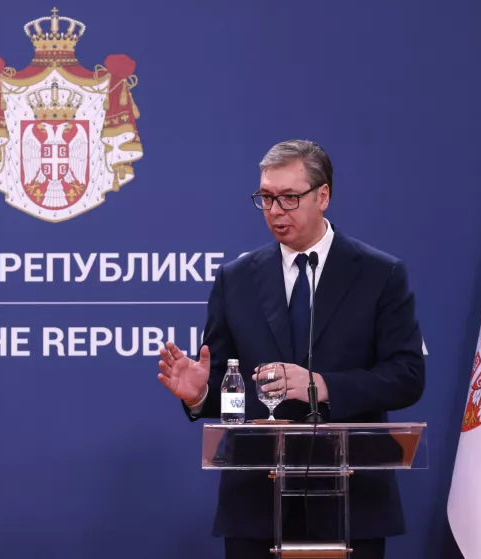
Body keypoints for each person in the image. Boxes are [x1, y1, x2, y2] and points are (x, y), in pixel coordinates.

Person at [157, 140, 425, 559]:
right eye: (265, 198)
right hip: (257, 505)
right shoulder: (236, 278)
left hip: (352, 503)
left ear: (323, 196)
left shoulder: (379, 274)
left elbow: (407, 377)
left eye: (288, 197)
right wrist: (202, 394)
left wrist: (321, 385)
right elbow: (231, 393)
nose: (275, 210)